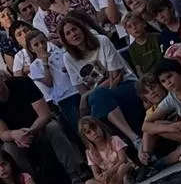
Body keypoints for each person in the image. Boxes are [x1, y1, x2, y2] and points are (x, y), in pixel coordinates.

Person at [0, 63, 85, 184]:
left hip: (40, 127)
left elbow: (44, 114)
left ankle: (76, 176)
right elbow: (2, 133)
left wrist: (30, 131)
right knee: (8, 149)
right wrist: (15, 135)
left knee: (52, 127)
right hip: (17, 139)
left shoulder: (22, 83)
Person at [61, 17, 144, 145]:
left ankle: (127, 145)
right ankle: (134, 139)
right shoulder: (68, 58)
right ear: (65, 39)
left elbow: (115, 77)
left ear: (82, 29)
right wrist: (90, 95)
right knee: (99, 100)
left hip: (125, 85)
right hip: (99, 98)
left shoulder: (102, 41)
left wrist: (89, 95)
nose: (73, 34)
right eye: (68, 33)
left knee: (99, 101)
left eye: (74, 29)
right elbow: (81, 89)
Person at [24, 28, 80, 133]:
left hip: (75, 90)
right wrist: (45, 63)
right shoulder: (34, 66)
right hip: (63, 97)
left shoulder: (58, 54)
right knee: (78, 125)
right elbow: (48, 82)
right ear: (31, 49)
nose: (41, 46)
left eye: (42, 42)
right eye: (36, 45)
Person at [77, 116, 134, 184]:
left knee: (123, 168)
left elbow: (123, 160)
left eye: (95, 128)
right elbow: (95, 173)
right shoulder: (90, 152)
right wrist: (101, 178)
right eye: (89, 132)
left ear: (100, 126)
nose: (94, 133)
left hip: (121, 169)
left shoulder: (114, 140)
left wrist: (111, 171)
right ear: (86, 137)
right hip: (108, 178)